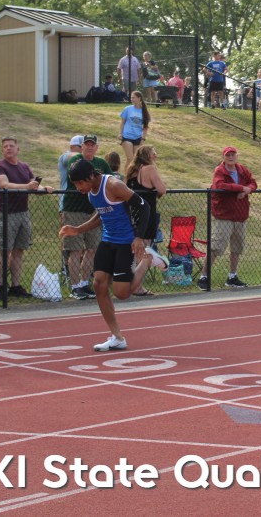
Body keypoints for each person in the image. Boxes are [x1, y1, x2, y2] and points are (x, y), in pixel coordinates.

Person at [60, 160, 152, 352]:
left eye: (80, 183)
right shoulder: (91, 193)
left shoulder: (113, 185)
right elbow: (101, 214)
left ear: (90, 176)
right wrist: (78, 229)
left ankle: (147, 259)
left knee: (121, 293)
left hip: (126, 242)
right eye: (75, 185)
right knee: (98, 284)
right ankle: (117, 337)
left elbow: (144, 207)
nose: (78, 188)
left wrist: (139, 237)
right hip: (108, 241)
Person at [0, 136, 52, 297]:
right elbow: (4, 185)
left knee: (19, 250)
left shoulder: (24, 167)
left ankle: (16, 286)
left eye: (11, 146)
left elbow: (33, 185)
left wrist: (44, 189)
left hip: (23, 213)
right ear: (2, 150)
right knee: (4, 250)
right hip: (6, 213)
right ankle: (0, 287)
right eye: (5, 146)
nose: (8, 148)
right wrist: (27, 186)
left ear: (18, 149)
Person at [198, 146, 258, 290]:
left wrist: (247, 190)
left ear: (237, 156)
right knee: (216, 247)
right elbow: (220, 185)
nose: (231, 157)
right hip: (224, 215)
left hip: (240, 215)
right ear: (223, 157)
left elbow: (253, 183)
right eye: (228, 155)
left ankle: (232, 276)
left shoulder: (242, 169)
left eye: (233, 154)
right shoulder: (220, 170)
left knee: (237, 247)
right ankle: (204, 276)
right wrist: (240, 188)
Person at [64, 135, 112, 298]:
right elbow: (76, 178)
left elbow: (110, 179)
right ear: (82, 147)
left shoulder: (101, 163)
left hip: (93, 211)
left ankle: (84, 283)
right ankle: (75, 286)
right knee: (76, 249)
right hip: (75, 209)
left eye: (92, 145)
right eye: (87, 144)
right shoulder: (75, 160)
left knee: (92, 248)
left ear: (96, 147)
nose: (89, 147)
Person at [123, 145, 166, 295]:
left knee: (135, 250)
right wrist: (158, 192)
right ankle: (137, 286)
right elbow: (162, 189)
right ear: (147, 155)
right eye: (154, 152)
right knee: (144, 250)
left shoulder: (131, 171)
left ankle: (132, 283)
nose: (156, 155)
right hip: (146, 214)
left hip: (132, 213)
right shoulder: (149, 169)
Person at [119, 90, 151, 164]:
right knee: (130, 158)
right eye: (131, 98)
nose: (131, 99)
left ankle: (132, 172)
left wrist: (143, 139)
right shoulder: (127, 109)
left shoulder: (144, 111)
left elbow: (145, 127)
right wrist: (120, 133)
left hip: (137, 137)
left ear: (139, 98)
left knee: (135, 160)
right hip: (127, 136)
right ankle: (126, 172)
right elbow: (122, 122)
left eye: (133, 97)